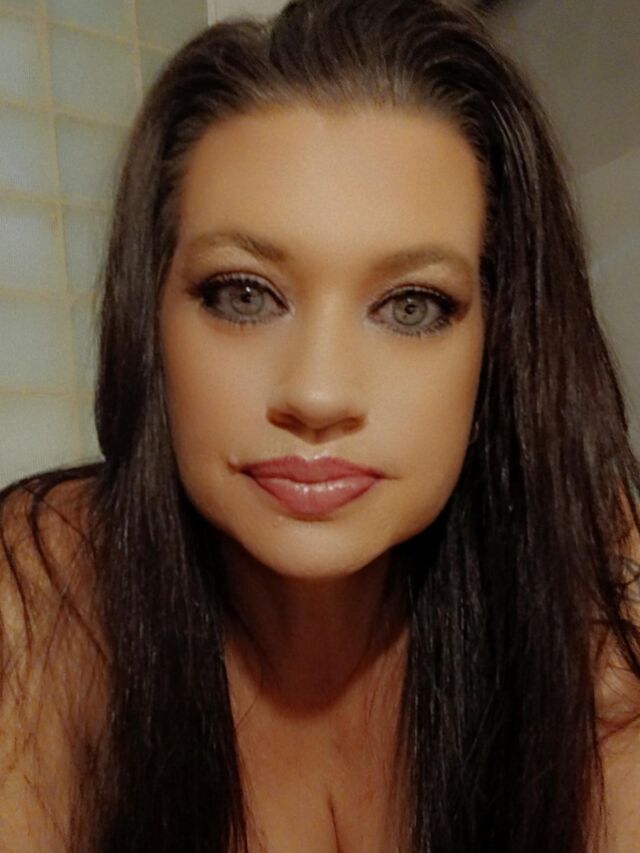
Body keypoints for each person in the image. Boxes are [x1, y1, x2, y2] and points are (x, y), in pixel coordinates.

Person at [0, 0, 639, 850]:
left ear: (501, 340)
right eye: (243, 294)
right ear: (149, 317)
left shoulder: (594, 576)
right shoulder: (43, 594)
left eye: (412, 305)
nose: (318, 391)